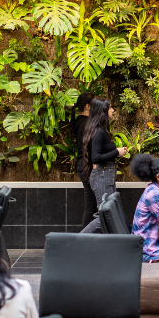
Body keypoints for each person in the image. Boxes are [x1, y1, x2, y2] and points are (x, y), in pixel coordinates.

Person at [80, 97, 127, 233]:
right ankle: (77, 241)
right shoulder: (98, 132)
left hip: (106, 175)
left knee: (110, 214)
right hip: (102, 176)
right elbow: (96, 158)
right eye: (110, 107)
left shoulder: (99, 130)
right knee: (105, 216)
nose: (113, 110)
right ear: (103, 111)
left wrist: (117, 153)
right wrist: (116, 152)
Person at [73, 92, 96, 227]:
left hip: (83, 165)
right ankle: (85, 239)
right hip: (87, 166)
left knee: (91, 205)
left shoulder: (80, 121)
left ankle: (87, 239)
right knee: (91, 206)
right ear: (88, 106)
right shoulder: (86, 123)